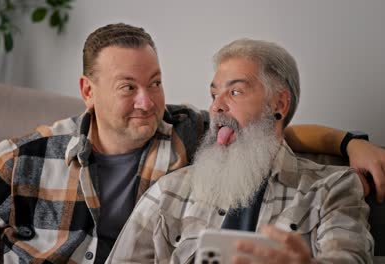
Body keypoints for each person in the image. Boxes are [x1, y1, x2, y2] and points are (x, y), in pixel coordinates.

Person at [0, 24, 381, 264]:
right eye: (128, 87)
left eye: (156, 83)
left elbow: (268, 132)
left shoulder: (186, 136)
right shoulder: (30, 155)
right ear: (88, 91)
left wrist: (350, 143)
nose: (148, 102)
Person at [106, 38, 374, 264]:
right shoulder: (169, 191)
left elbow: (349, 257)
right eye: (213, 95)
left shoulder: (333, 188)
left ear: (279, 103)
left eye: (234, 92)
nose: (216, 107)